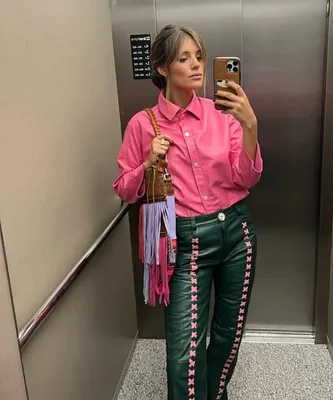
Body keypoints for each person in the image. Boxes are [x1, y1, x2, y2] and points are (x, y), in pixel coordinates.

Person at [113, 24, 263, 400]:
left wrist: (250, 126)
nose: (197, 65)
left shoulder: (221, 114)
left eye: (199, 56)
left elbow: (246, 177)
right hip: (186, 243)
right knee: (183, 354)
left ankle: (214, 394)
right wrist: (147, 163)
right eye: (184, 58)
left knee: (228, 335)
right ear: (162, 68)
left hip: (237, 236)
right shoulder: (142, 125)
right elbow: (124, 189)